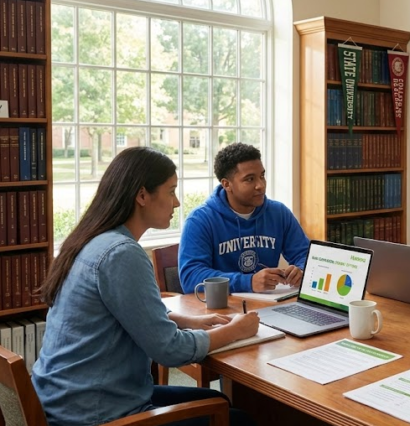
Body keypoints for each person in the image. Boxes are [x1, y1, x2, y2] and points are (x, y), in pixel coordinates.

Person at [32, 147, 259, 426]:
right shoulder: (122, 254)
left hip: (65, 399)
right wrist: (235, 331)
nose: (177, 203)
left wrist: (189, 320)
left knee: (219, 402)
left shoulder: (93, 240)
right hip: (95, 414)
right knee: (238, 420)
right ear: (142, 195)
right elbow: (170, 351)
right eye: (171, 191)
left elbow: (126, 315)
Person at [179, 143, 310, 294]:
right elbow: (190, 277)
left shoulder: (279, 213)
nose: (260, 185)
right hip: (222, 312)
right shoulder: (200, 220)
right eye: (249, 179)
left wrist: (301, 270)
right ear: (227, 184)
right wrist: (248, 282)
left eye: (262, 176)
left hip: (269, 305)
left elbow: (305, 255)